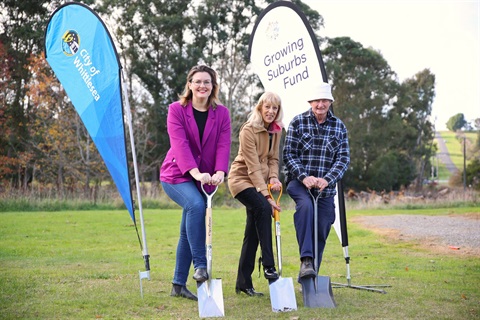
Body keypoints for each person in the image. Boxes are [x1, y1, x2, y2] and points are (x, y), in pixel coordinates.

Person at [160, 65, 231, 301]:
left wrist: (220, 171)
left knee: (186, 231)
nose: (202, 86)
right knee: (196, 207)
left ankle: (178, 285)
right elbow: (179, 145)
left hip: (204, 178)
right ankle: (201, 267)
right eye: (198, 81)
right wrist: (196, 172)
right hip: (177, 174)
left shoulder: (221, 113)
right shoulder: (176, 110)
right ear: (189, 84)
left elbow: (223, 144)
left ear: (213, 86)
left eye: (207, 82)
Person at [282, 82, 350, 279]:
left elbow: (343, 159)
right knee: (306, 207)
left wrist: (327, 180)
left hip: (325, 189)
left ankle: (311, 274)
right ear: (310, 102)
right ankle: (306, 261)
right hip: (299, 183)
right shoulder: (298, 122)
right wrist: (305, 177)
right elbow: (289, 154)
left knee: (322, 226)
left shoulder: (339, 127)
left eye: (324, 100)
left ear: (330, 102)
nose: (321, 104)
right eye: (317, 101)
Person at [228, 92, 284, 297]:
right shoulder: (248, 130)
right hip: (242, 180)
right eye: (267, 107)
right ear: (260, 108)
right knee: (262, 208)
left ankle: (243, 282)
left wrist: (274, 178)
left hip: (260, 182)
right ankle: (269, 265)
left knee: (252, 232)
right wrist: (267, 197)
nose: (271, 111)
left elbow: (273, 160)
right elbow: (252, 168)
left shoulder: (276, 131)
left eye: (275, 108)